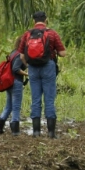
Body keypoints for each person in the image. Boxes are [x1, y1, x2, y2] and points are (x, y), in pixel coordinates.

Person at [18, 11, 67, 139]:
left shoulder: (27, 34)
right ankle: (51, 133)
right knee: (49, 100)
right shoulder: (52, 33)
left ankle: (36, 132)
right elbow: (62, 53)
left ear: (34, 21)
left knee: (35, 100)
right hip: (48, 67)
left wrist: (28, 65)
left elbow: (22, 55)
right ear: (46, 20)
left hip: (33, 68)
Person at [0, 36, 28, 136]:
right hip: (16, 82)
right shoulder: (19, 55)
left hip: (9, 83)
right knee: (16, 107)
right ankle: (15, 130)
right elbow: (16, 69)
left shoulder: (13, 52)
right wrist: (27, 74)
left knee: (8, 106)